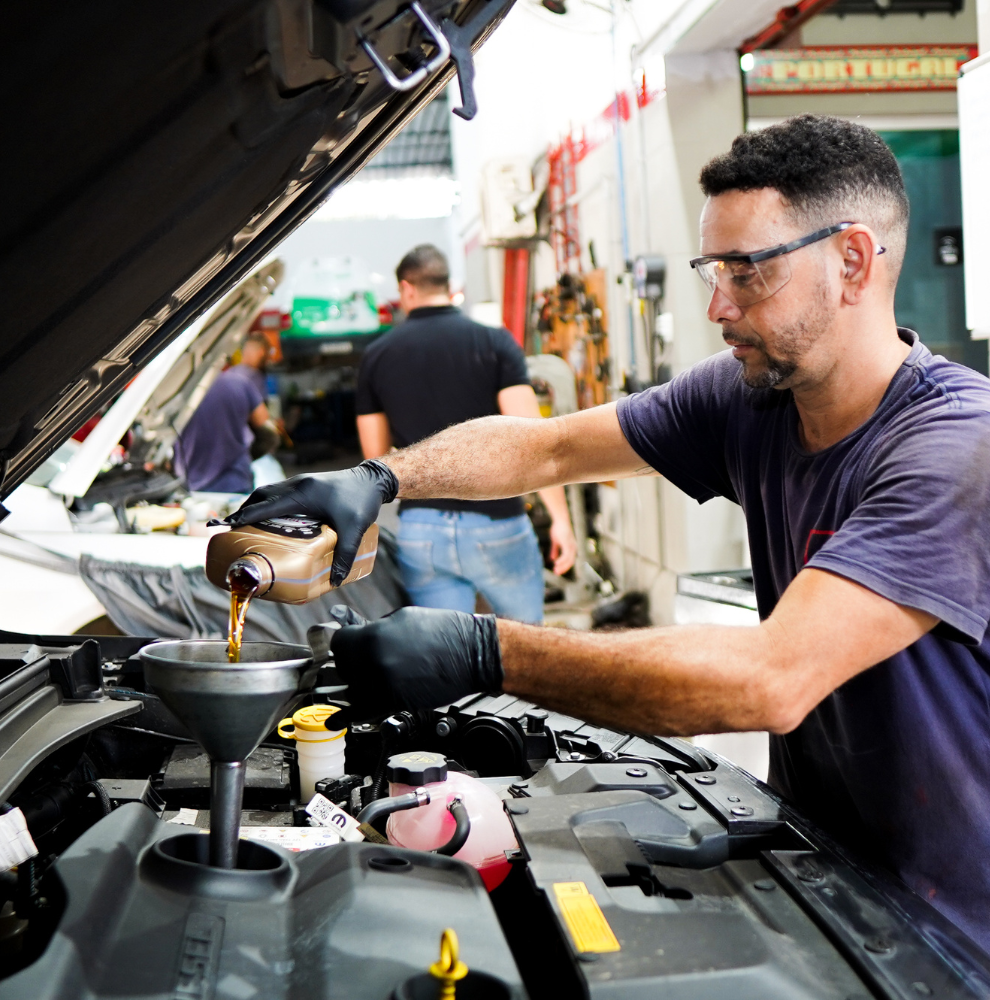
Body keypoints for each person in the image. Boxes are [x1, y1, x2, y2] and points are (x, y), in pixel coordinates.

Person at [224, 115, 990, 949]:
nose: (716, 305)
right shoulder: (750, 399)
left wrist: (487, 652)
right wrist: (380, 479)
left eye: (746, 271)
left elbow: (772, 679)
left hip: (955, 924)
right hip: (828, 874)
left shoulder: (955, 451)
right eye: (712, 268)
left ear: (851, 260)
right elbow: (547, 446)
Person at [354, 244, 576, 623]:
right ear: (449, 285)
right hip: (498, 522)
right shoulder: (495, 342)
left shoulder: (376, 356)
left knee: (444, 655)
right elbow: (536, 441)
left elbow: (376, 461)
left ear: (407, 289)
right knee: (529, 648)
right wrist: (561, 519)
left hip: (421, 528)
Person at [176, 332, 279, 492]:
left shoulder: (177, 393)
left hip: (191, 484)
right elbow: (267, 430)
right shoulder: (240, 383)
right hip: (235, 480)